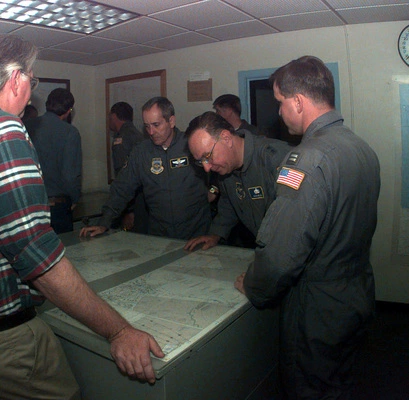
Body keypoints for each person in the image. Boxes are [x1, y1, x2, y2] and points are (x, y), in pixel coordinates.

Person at [0, 33, 164, 400]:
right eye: (32, 79)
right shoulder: (0, 130)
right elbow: (38, 257)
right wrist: (119, 331)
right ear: (16, 79)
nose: (32, 89)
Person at [235, 56, 380, 399]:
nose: (280, 113)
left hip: (318, 308)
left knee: (308, 388)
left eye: (281, 103)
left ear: (298, 102)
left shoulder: (307, 159)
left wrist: (253, 286)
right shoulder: (363, 149)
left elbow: (281, 254)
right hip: (356, 292)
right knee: (341, 382)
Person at [80, 96, 211, 240]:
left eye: (156, 125)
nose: (151, 131)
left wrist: (213, 190)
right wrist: (104, 221)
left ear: (171, 121)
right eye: (147, 126)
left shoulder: (190, 144)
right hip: (160, 233)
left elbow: (219, 173)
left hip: (196, 231)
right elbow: (122, 187)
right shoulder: (141, 152)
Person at [184, 111, 291, 251]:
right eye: (200, 161)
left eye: (208, 156)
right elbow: (230, 202)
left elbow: (293, 227)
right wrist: (216, 234)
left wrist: (262, 270)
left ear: (226, 138)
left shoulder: (276, 159)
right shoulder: (225, 168)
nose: (206, 168)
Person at [25, 88, 82, 234]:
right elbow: (70, 174)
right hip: (57, 206)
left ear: (47, 104)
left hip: (30, 203)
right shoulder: (70, 132)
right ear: (69, 110)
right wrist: (74, 198)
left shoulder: (28, 126)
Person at [109, 101, 148, 233]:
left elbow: (124, 177)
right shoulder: (138, 135)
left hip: (132, 203)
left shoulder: (121, 139)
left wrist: (128, 211)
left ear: (114, 117)